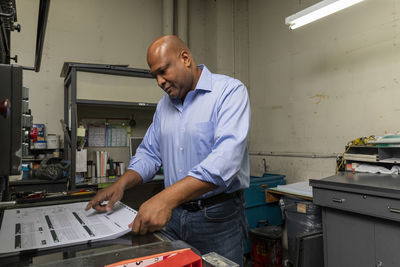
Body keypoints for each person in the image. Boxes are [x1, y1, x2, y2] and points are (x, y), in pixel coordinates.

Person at [86, 35, 251, 265]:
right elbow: (150, 154)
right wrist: (120, 184)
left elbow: (225, 162)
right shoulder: (164, 106)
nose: (160, 82)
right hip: (174, 216)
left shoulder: (229, 92)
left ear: (185, 58)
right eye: (155, 76)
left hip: (217, 218)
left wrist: (164, 199)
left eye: (163, 71)